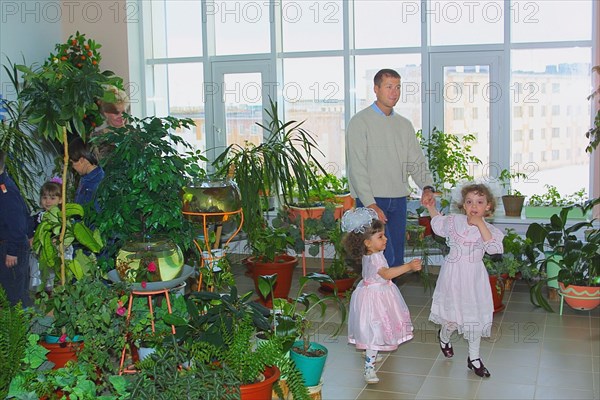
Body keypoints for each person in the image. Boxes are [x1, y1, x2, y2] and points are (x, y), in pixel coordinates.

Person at [346, 68, 435, 270]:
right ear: (376, 89)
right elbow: (356, 167)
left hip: (398, 200)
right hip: (372, 200)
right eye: (388, 87)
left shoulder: (404, 125)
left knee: (395, 259)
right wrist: (370, 204)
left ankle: (390, 301)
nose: (394, 92)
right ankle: (372, 300)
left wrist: (427, 187)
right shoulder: (360, 122)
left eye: (397, 87)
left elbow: (416, 160)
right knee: (376, 260)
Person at [423, 182, 503, 378]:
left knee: (473, 318)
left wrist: (480, 224)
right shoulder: (454, 222)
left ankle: (474, 358)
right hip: (453, 276)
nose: (474, 206)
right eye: (469, 202)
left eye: (479, 202)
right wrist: (431, 207)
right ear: (463, 206)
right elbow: (438, 225)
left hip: (474, 278)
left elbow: (494, 250)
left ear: (488, 207)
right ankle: (444, 337)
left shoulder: (489, 229)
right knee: (451, 319)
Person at [341, 207, 422, 384]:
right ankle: (369, 368)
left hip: (374, 293)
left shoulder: (371, 253)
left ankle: (370, 352)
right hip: (374, 298)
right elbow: (385, 274)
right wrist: (408, 267)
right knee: (375, 329)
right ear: (367, 243)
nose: (385, 239)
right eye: (380, 237)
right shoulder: (376, 257)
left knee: (374, 327)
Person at [0, 149, 31, 306]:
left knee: (15, 296)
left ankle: (28, 328)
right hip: (6, 246)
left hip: (11, 249)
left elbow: (17, 224)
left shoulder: (6, 190)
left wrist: (12, 251)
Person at [29, 178, 63, 291]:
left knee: (56, 279)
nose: (48, 201)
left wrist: (57, 240)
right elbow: (31, 230)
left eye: (52, 198)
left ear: (60, 200)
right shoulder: (39, 217)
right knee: (41, 279)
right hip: (40, 253)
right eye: (44, 198)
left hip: (56, 252)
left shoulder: (61, 217)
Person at [93, 85, 130, 160]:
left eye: (123, 112)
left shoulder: (136, 135)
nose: (121, 116)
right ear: (106, 113)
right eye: (116, 113)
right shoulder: (97, 138)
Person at [69, 137, 104, 211]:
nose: (72, 166)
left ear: (82, 160)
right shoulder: (85, 178)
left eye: (72, 162)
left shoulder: (99, 181)